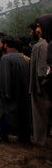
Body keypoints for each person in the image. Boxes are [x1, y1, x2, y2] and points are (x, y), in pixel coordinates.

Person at [0, 37, 31, 143]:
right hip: (22, 91)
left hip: (9, 92)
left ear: (6, 45)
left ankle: (3, 135)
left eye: (1, 43)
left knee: (5, 113)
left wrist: (7, 93)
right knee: (22, 113)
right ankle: (23, 136)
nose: (0, 45)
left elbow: (6, 77)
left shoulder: (6, 58)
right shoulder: (22, 57)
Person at [29, 14, 51, 147]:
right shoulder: (45, 44)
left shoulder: (43, 45)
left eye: (38, 27)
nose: (36, 30)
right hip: (44, 85)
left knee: (41, 115)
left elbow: (43, 70)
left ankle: (40, 141)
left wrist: (42, 86)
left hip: (42, 87)